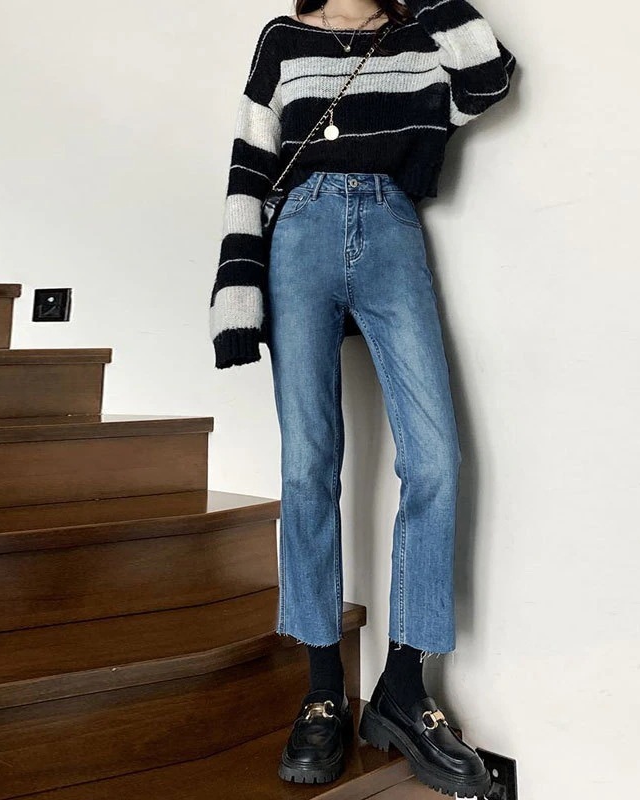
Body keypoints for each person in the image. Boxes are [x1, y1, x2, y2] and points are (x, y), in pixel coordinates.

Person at [208, 0, 516, 795]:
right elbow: (250, 165)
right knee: (308, 464)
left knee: (435, 459)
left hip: (390, 227)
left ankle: (403, 688)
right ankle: (321, 691)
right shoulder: (283, 40)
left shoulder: (416, 39)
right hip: (300, 235)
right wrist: (236, 296)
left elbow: (489, 79)